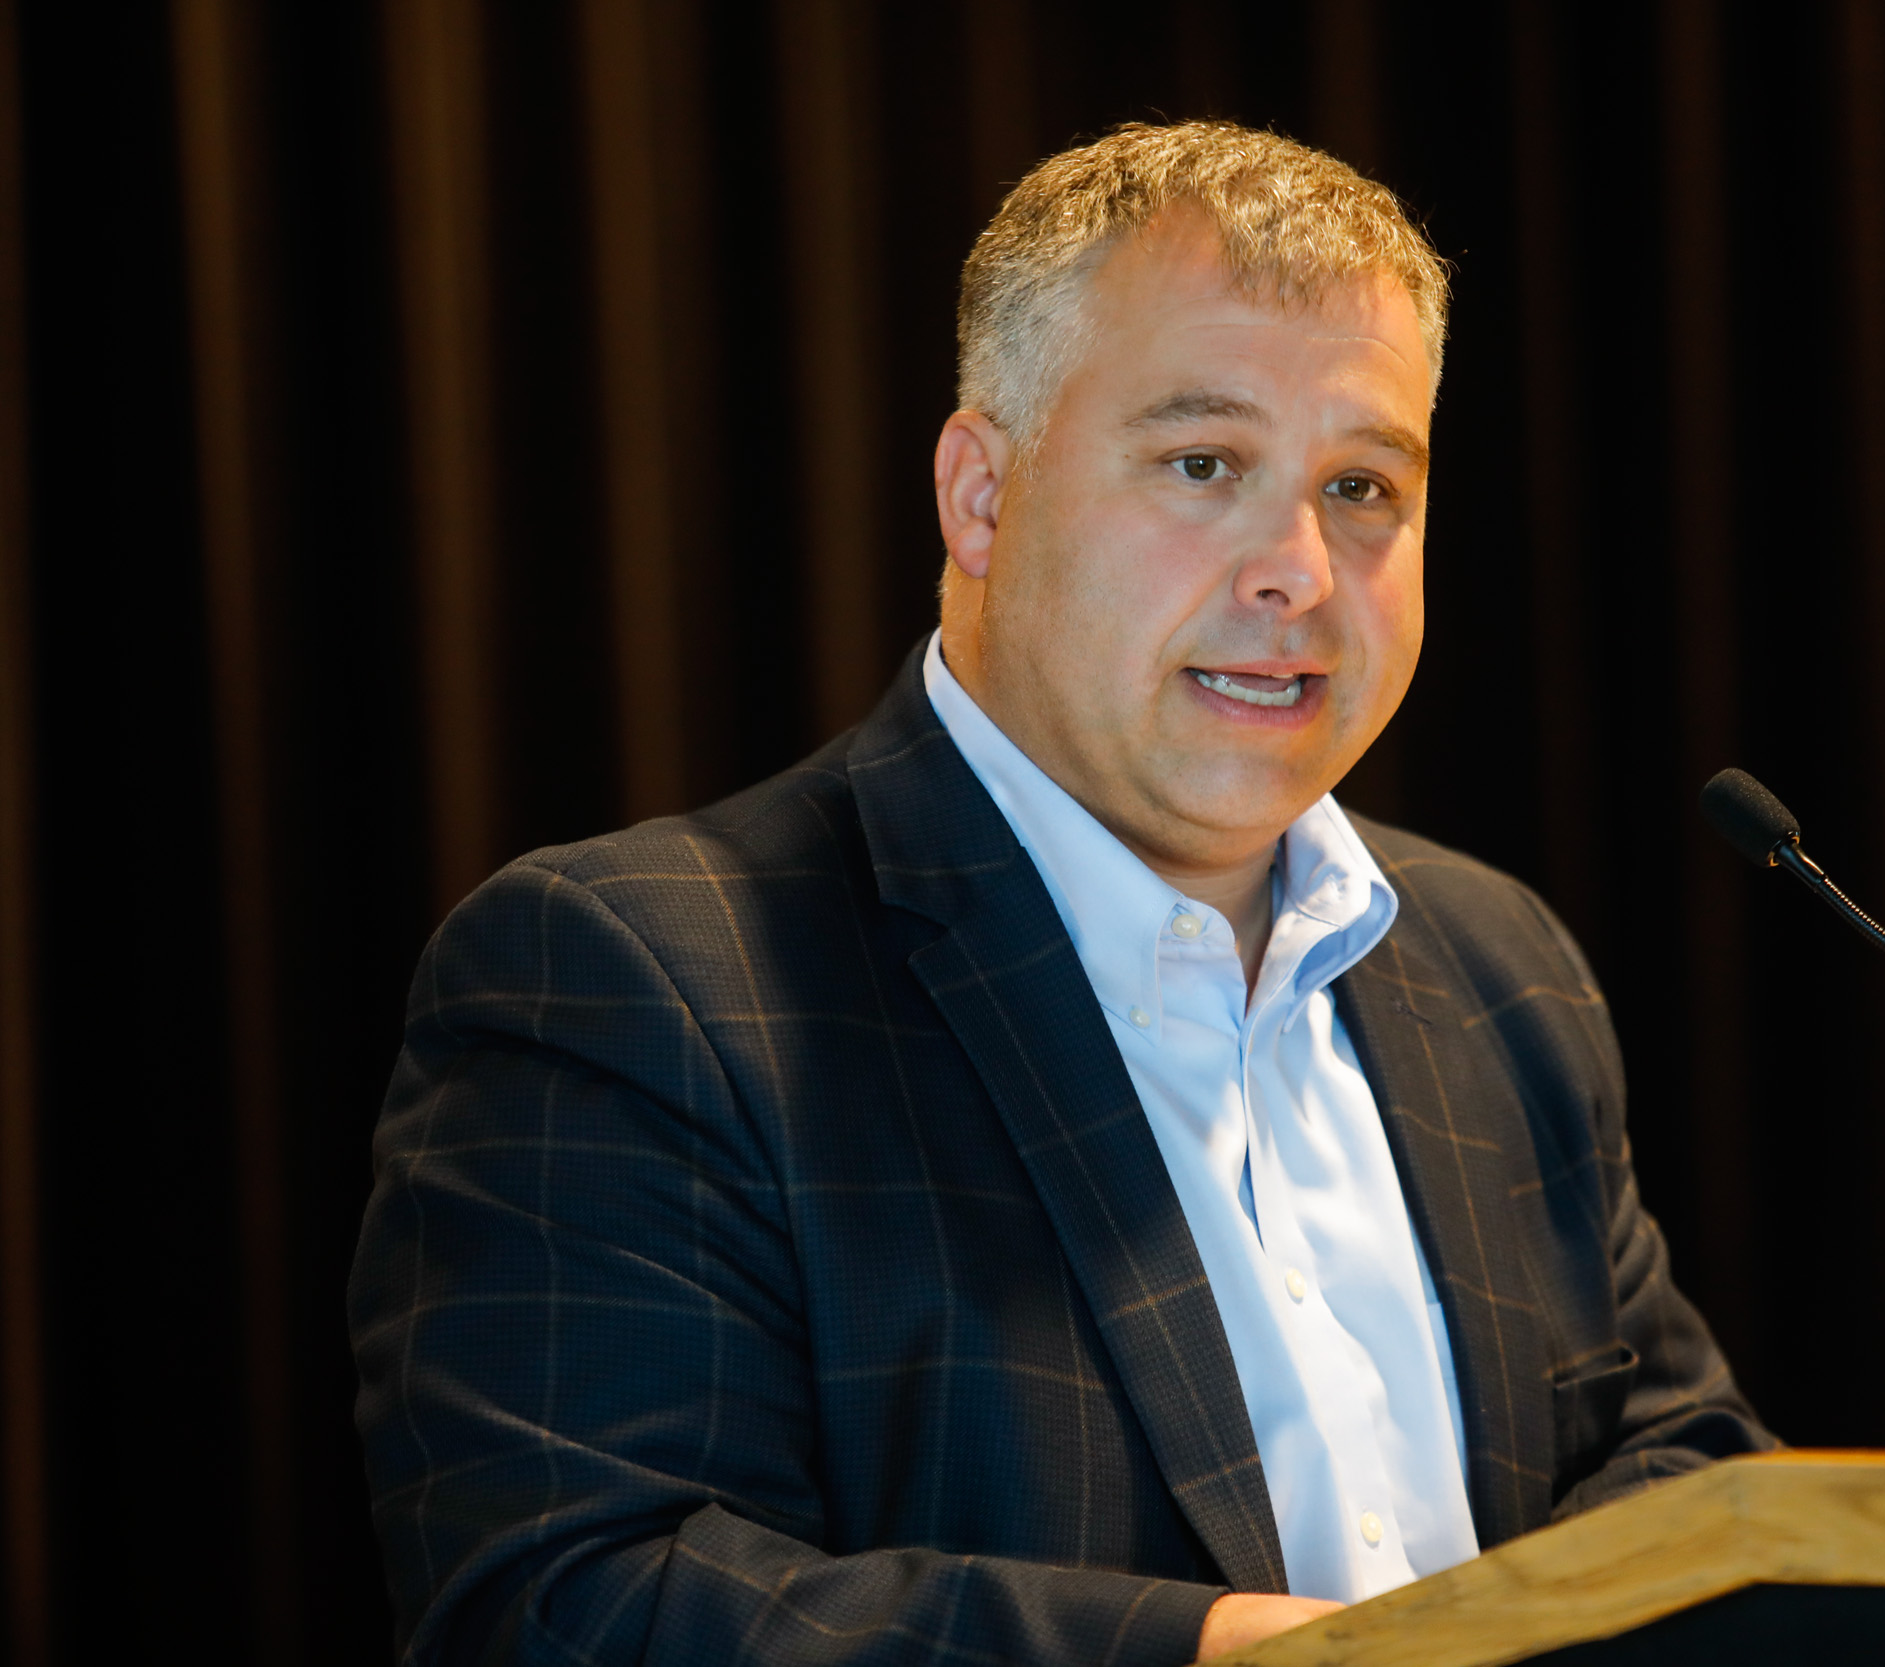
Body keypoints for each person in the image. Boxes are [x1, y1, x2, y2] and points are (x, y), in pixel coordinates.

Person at [349, 120, 1771, 1667]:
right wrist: (1221, 1660)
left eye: (1363, 486)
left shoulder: (1499, 965)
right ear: (980, 494)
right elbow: (574, 1602)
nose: (1299, 570)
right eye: (1205, 465)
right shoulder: (641, 981)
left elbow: (1685, 1466)